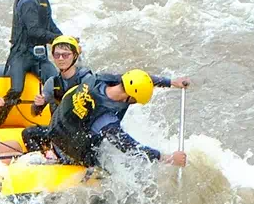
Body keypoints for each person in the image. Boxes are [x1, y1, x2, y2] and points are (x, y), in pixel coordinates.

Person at [23, 69, 190, 168]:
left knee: (31, 133)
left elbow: (138, 80)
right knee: (108, 177)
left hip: (56, 128)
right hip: (70, 149)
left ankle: (49, 153)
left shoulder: (102, 78)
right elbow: (130, 147)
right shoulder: (105, 118)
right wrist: (167, 158)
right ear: (129, 98)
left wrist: (171, 82)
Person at [0, 0, 63, 124]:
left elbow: (49, 24)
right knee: (17, 89)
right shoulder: (28, 2)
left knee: (56, 85)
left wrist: (63, 39)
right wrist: (55, 39)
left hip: (38, 57)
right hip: (21, 54)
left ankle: (57, 123)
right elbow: (34, 31)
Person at [30, 35, 94, 117]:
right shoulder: (52, 83)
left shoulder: (87, 80)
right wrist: (37, 104)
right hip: (59, 127)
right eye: (57, 55)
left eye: (65, 55)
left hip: (81, 127)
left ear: (74, 56)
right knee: (28, 130)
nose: (60, 58)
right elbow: (35, 113)